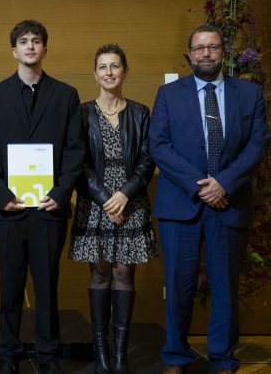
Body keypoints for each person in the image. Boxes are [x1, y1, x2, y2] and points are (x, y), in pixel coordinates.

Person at [150, 25, 270, 374]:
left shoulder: (250, 94)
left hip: (229, 205)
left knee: (224, 289)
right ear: (189, 54)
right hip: (181, 206)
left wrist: (224, 184)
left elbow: (258, 143)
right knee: (178, 288)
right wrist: (200, 185)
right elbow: (158, 144)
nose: (205, 53)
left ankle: (222, 358)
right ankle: (175, 356)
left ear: (223, 52)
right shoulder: (168, 94)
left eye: (213, 47)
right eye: (199, 48)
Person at [0, 20, 84, 374]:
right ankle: (8, 353)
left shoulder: (66, 95)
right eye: (23, 42)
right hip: (8, 208)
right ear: (14, 50)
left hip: (49, 207)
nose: (30, 47)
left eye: (36, 41)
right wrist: (1, 193)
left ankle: (47, 353)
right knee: (9, 287)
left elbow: (74, 150)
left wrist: (60, 191)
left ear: (44, 49)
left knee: (46, 286)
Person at [68, 44, 157, 374]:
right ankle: (100, 350)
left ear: (124, 71)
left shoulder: (139, 112)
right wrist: (106, 197)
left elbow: (147, 161)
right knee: (101, 272)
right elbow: (78, 162)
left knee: (124, 272)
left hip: (131, 203)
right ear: (95, 73)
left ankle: (120, 352)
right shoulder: (82, 113)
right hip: (96, 204)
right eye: (103, 67)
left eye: (115, 66)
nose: (109, 72)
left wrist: (125, 194)